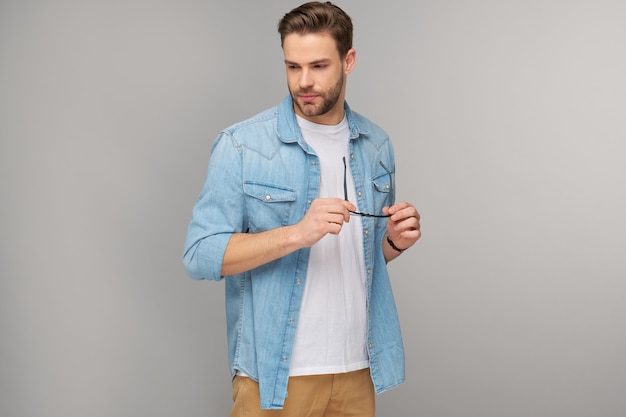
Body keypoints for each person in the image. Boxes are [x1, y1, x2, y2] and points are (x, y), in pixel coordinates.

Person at [183, 2, 421, 415]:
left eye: (318, 66)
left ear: (349, 61)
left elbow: (361, 259)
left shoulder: (377, 145)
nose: (304, 81)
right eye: (293, 67)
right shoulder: (242, 145)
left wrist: (394, 244)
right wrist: (296, 233)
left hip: (357, 369)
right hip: (276, 375)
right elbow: (199, 255)